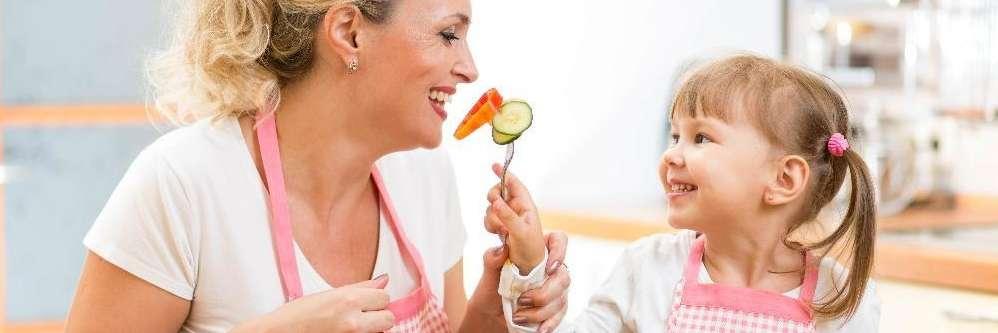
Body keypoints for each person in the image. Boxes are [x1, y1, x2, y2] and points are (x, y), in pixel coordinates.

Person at [66, 0, 570, 332]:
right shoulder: (182, 185)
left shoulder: (425, 176)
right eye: (447, 34)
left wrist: (510, 291)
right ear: (350, 32)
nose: (469, 67)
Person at [487, 54, 881, 332]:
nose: (672, 154)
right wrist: (531, 265)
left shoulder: (841, 300)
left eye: (701, 137)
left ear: (784, 180)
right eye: (676, 135)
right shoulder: (647, 270)